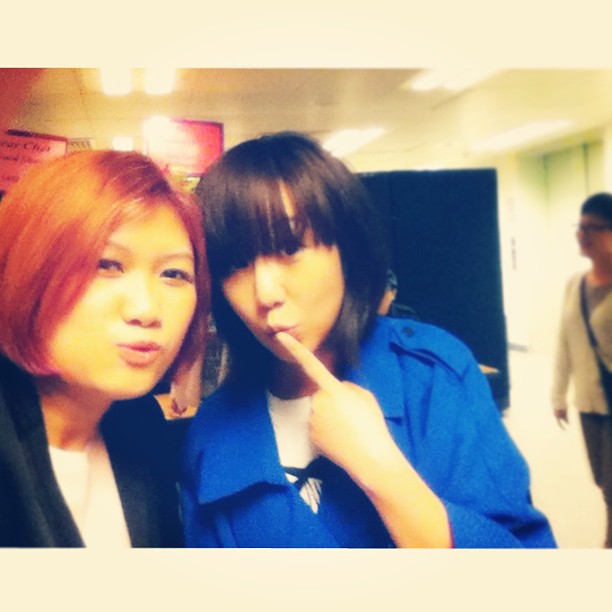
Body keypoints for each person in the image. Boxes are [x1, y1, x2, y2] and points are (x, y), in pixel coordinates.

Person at [182, 131, 555, 548]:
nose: (265, 293)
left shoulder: (431, 377)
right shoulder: (211, 435)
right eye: (235, 263)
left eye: (289, 248)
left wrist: (380, 470)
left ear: (346, 249)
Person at [0, 149, 209, 547]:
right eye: (107, 265)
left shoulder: (139, 427)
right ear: (25, 270)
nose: (146, 310)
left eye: (174, 273)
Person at [551, 192, 612, 548]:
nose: (582, 234)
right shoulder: (574, 284)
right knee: (603, 482)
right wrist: (558, 394)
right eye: (580, 226)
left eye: (593, 227)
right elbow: (565, 341)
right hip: (589, 403)